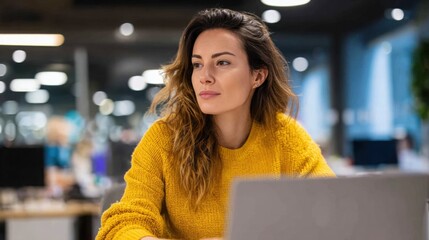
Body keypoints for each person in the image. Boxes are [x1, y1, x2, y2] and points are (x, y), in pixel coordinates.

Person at [96, 8, 335, 240]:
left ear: (258, 76)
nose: (205, 76)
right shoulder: (164, 138)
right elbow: (123, 223)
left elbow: (333, 214)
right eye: (198, 64)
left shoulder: (286, 136)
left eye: (222, 63)